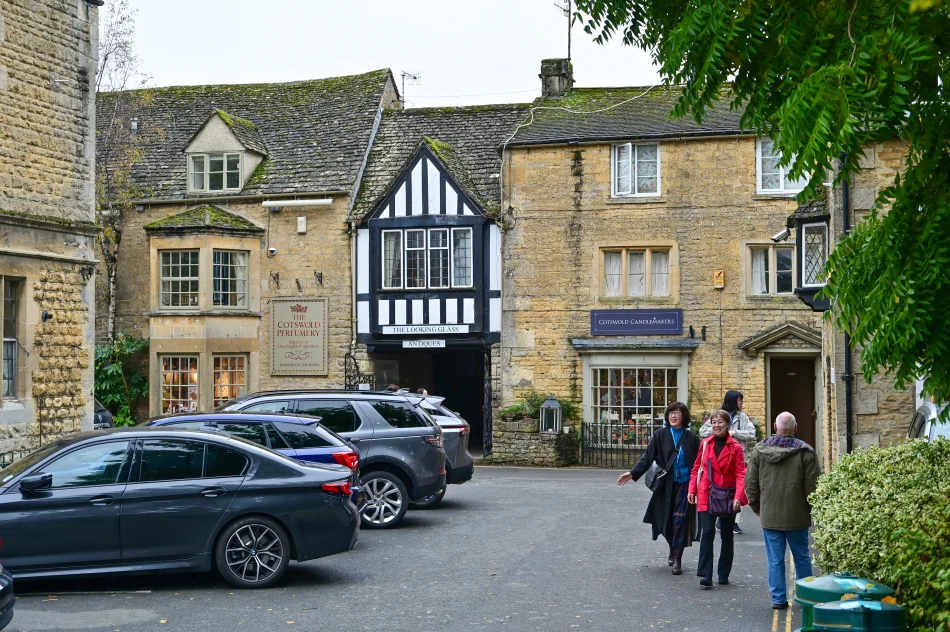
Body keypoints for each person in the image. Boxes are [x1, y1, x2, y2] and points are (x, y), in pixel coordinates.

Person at [745, 412, 821, 610]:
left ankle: (778, 599)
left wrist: (756, 505)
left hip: (770, 513)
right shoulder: (806, 452)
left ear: (774, 427)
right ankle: (806, 596)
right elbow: (813, 487)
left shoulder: (760, 451)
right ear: (795, 428)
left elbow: (751, 483)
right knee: (802, 557)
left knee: (775, 559)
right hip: (797, 514)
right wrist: (811, 509)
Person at [617, 402, 700, 575]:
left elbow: (699, 463)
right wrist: (633, 473)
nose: (673, 416)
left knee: (680, 521)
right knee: (665, 521)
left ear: (683, 416)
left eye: (677, 413)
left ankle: (677, 558)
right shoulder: (660, 434)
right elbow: (648, 457)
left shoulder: (692, 438)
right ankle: (672, 547)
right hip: (666, 485)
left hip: (685, 485)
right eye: (670, 413)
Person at [689, 409, 748, 588]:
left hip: (727, 494)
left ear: (727, 424)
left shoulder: (736, 447)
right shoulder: (705, 444)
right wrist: (692, 489)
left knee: (727, 535)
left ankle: (723, 573)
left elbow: (740, 473)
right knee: (707, 532)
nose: (716, 425)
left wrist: (739, 496)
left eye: (720, 422)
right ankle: (706, 574)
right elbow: (697, 467)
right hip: (707, 492)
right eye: (713, 422)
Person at [699, 390, 756, 534]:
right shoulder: (718, 415)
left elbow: (751, 433)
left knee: (736, 487)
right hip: (718, 457)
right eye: (739, 400)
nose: (741, 403)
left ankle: (733, 521)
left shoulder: (742, 417)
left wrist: (735, 433)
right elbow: (702, 432)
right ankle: (716, 516)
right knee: (717, 487)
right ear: (733, 401)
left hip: (736, 455)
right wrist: (719, 431)